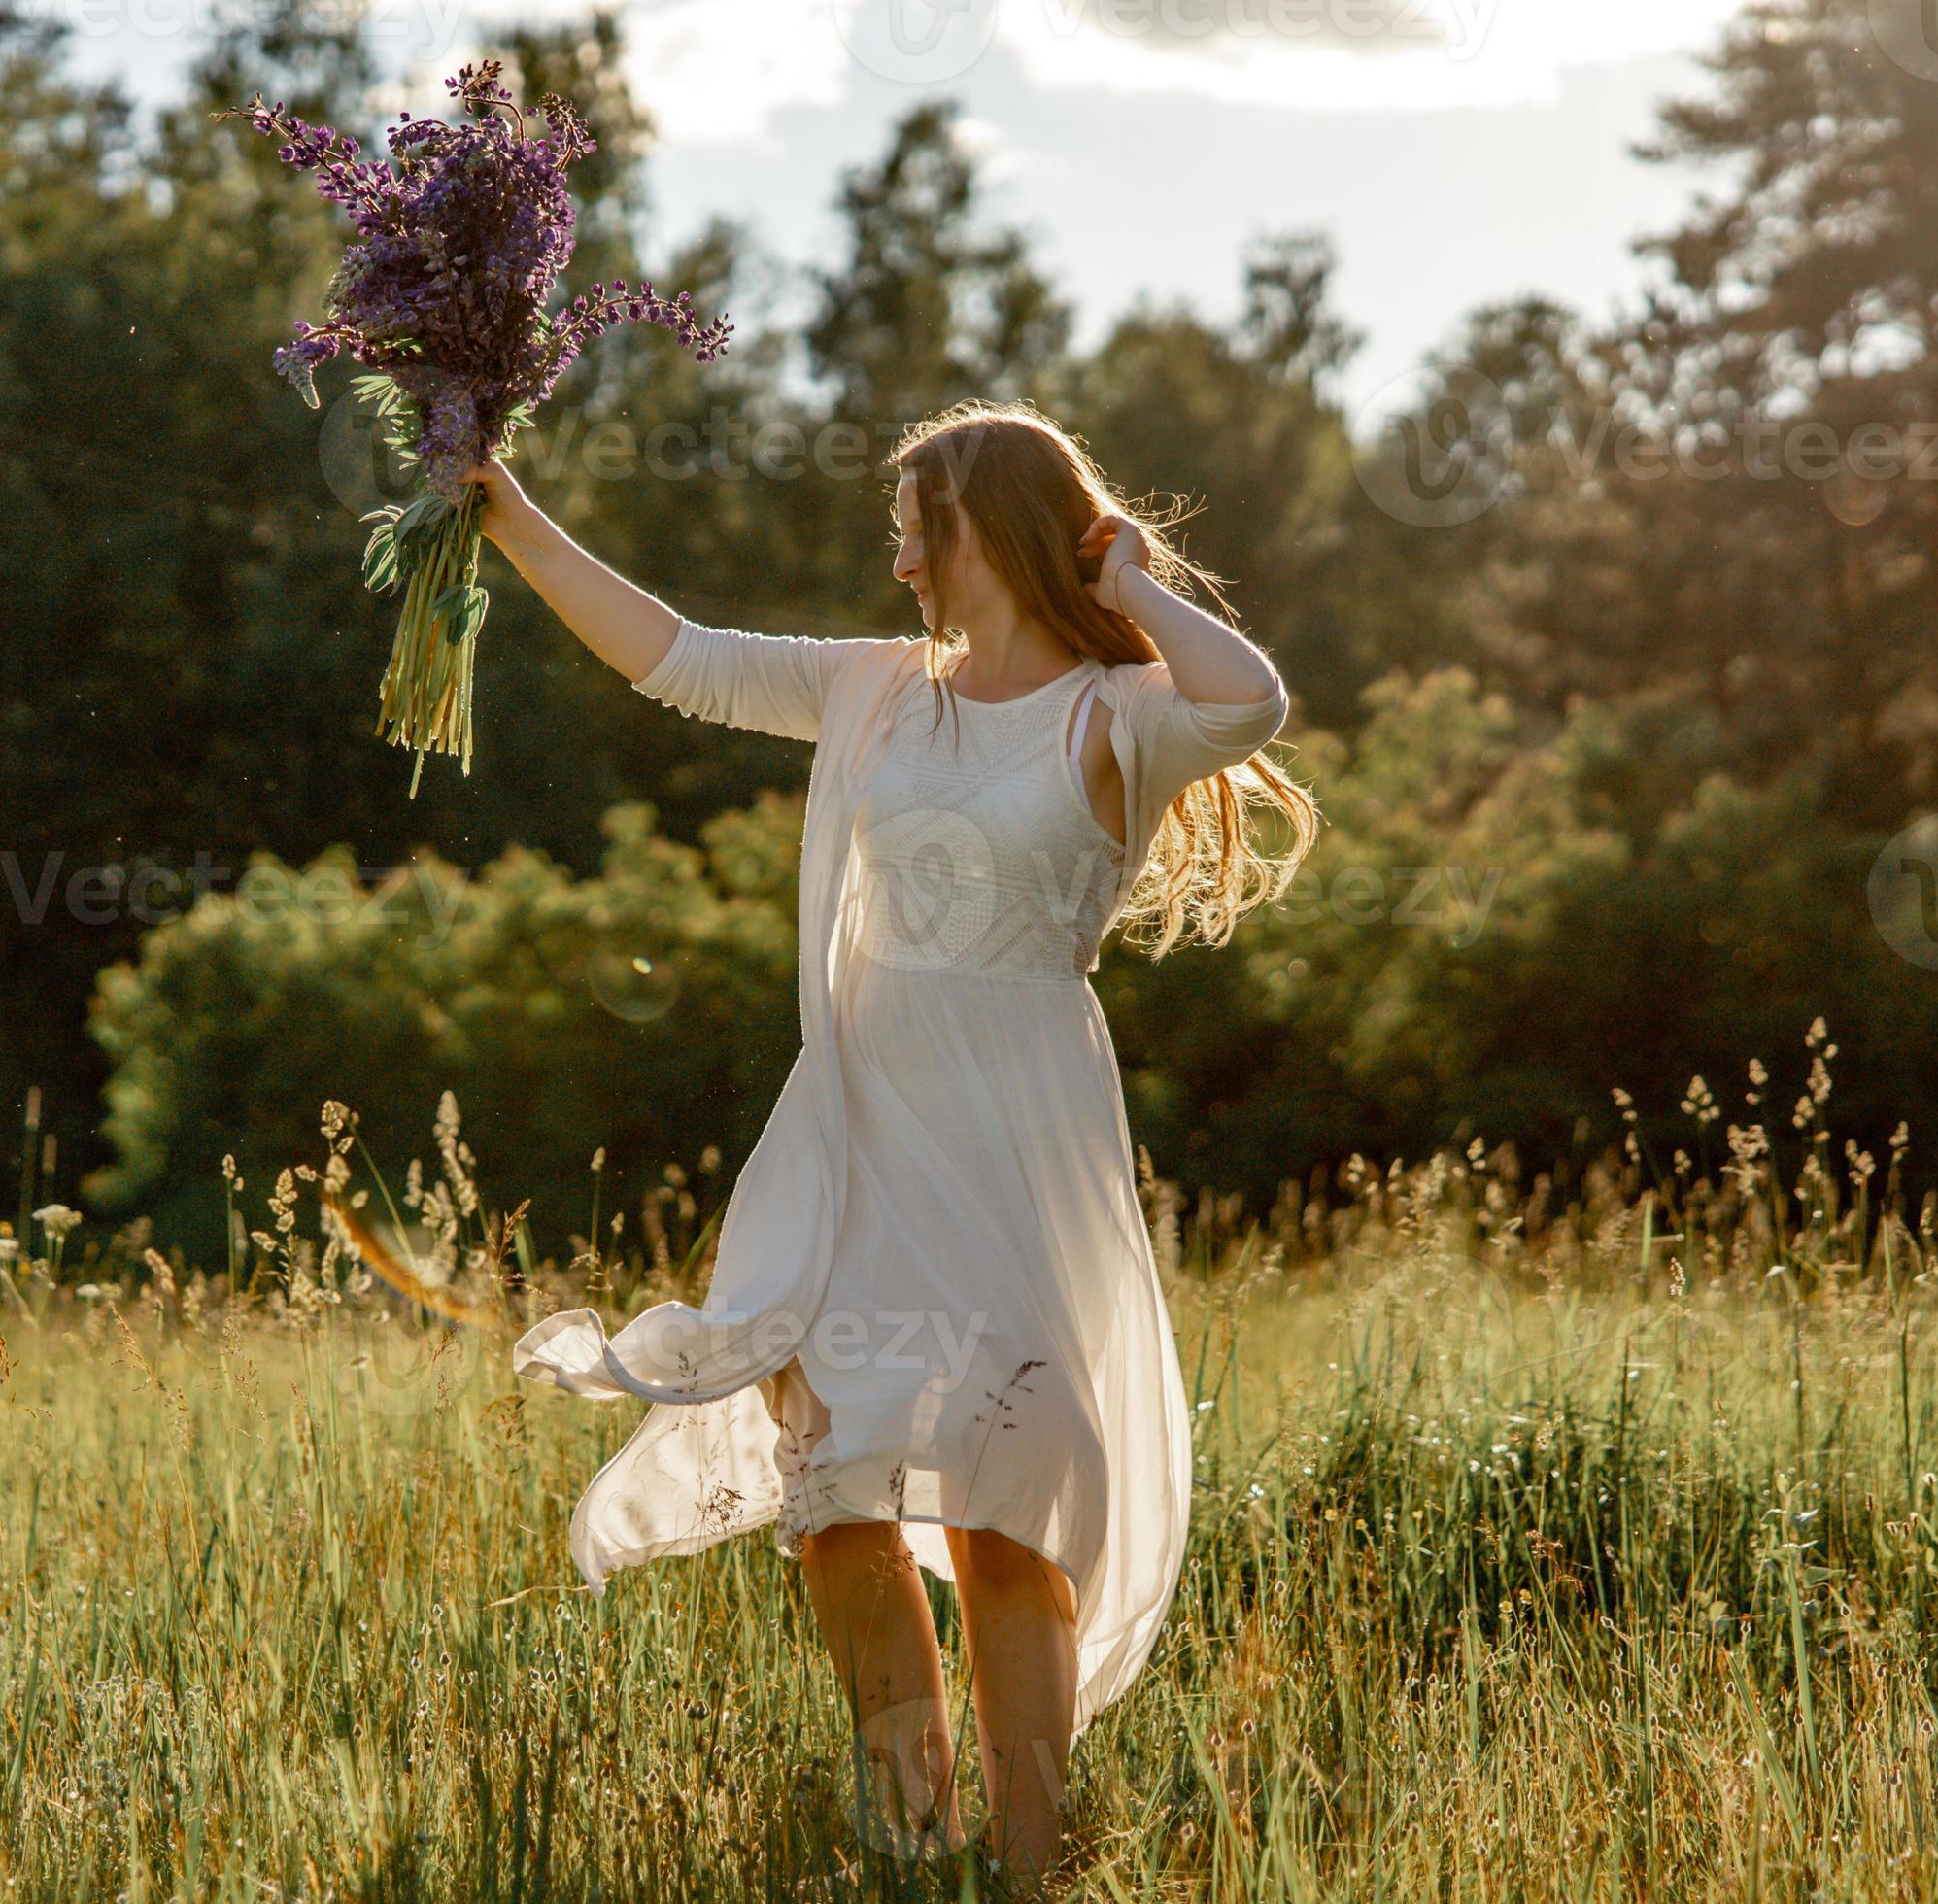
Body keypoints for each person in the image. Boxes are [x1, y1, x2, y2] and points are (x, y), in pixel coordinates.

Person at [489, 397, 1317, 1876]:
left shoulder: (1111, 714)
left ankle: (1029, 1860)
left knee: (1009, 1509)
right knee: (839, 1506)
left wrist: (1125, 580)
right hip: (858, 1142)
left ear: (979, 529)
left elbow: (1251, 702)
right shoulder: (876, 690)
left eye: (911, 531)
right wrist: (502, 511)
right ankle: (913, 1846)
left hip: (1020, 1141)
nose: (897, 568)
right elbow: (674, 657)